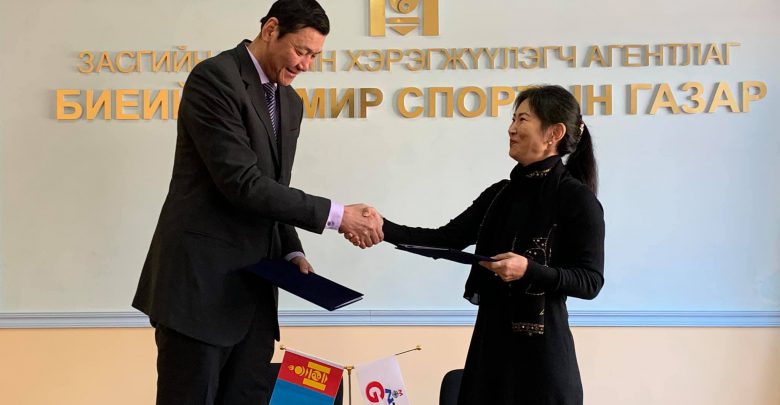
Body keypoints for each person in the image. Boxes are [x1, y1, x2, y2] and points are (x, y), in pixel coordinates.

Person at [132, 1, 382, 404]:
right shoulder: (215, 79)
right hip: (198, 293)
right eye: (301, 51)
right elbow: (243, 184)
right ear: (270, 30)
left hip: (254, 300)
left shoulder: (290, 102)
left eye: (315, 56)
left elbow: (273, 189)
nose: (306, 65)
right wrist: (339, 216)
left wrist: (290, 251)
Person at [360, 85, 605, 404]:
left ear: (554, 133)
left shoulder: (577, 199)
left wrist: (528, 270)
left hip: (543, 363)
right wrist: (380, 225)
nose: (511, 128)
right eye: (513, 119)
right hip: (490, 353)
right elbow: (444, 240)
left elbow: (590, 281)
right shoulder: (499, 194)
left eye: (522, 119)